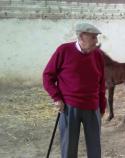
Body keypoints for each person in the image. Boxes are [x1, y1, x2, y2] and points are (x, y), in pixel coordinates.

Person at [43, 23, 106, 158]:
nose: (96, 41)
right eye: (93, 37)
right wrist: (56, 98)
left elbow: (101, 83)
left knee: (95, 146)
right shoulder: (63, 51)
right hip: (69, 107)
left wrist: (102, 107)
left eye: (96, 38)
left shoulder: (98, 55)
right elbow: (47, 76)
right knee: (69, 147)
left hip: (93, 106)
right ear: (82, 37)